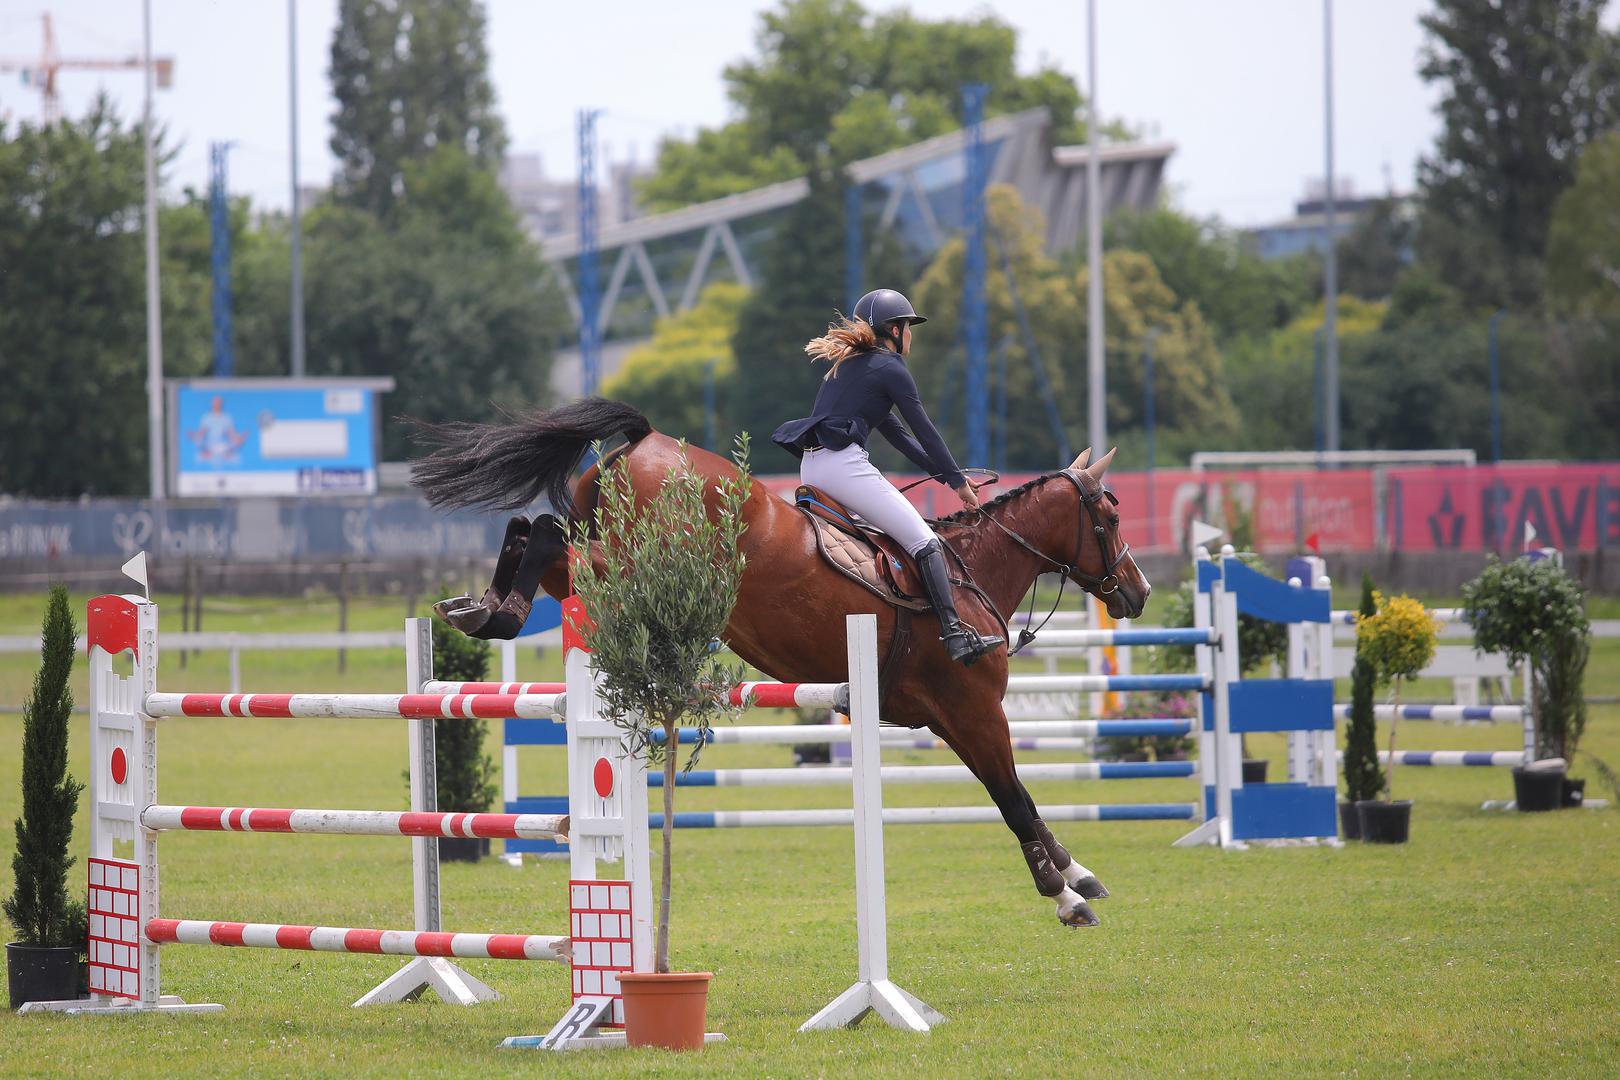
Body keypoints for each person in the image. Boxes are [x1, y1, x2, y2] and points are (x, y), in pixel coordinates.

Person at [772, 288, 1005, 666]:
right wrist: (959, 486)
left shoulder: (851, 366)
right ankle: (954, 634)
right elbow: (925, 431)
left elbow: (899, 436)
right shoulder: (891, 369)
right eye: (909, 327)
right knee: (926, 543)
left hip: (812, 467)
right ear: (894, 330)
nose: (911, 334)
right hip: (842, 467)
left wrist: (950, 475)